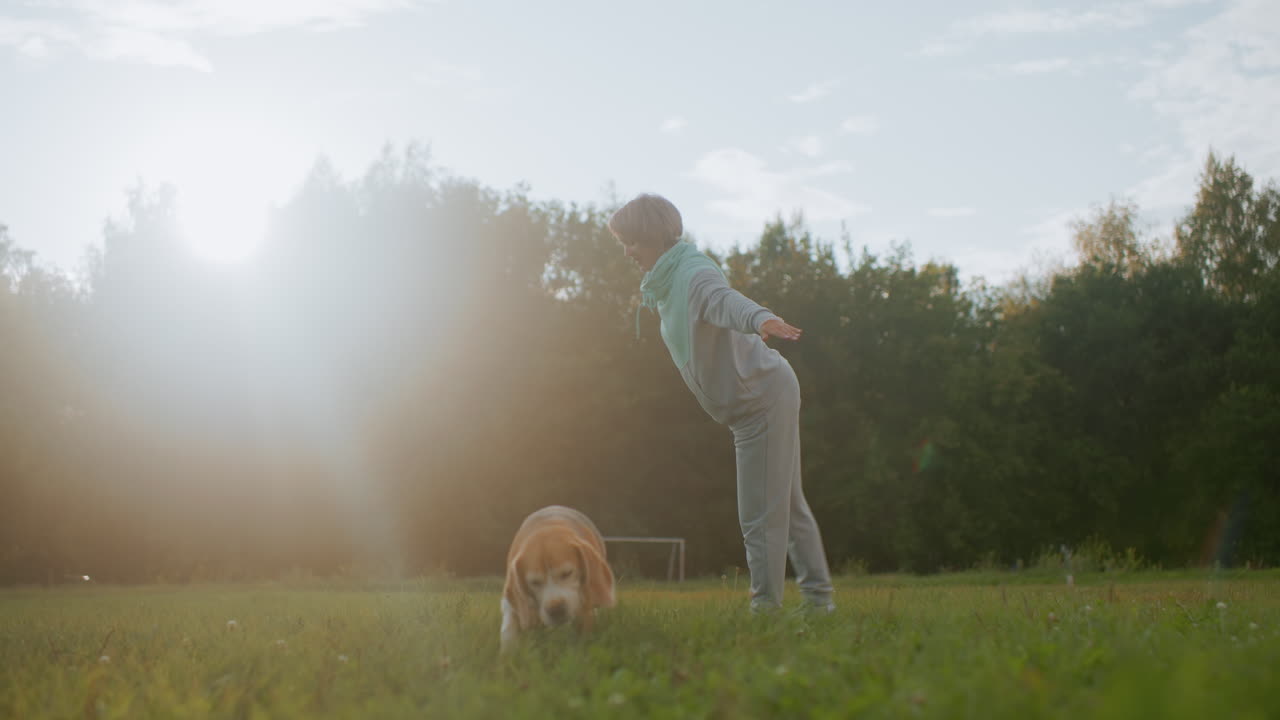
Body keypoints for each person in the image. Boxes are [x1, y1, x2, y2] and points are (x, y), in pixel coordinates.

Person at [608, 193, 835, 613]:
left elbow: (723, 300)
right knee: (786, 504)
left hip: (760, 402)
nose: (627, 251)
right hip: (761, 397)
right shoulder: (667, 282)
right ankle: (819, 602)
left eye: (632, 242)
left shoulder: (691, 274)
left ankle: (765, 610)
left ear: (654, 236)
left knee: (760, 515)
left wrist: (760, 317)